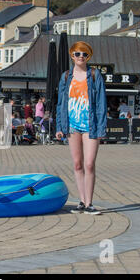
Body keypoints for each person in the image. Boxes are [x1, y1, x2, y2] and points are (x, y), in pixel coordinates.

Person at [55, 41, 107, 215]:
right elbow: (61, 103)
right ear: (72, 55)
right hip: (72, 125)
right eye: (77, 54)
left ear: (88, 57)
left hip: (90, 126)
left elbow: (101, 103)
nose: (81, 57)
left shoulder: (94, 75)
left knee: (89, 164)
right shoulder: (65, 76)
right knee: (77, 165)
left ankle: (90, 203)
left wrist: (101, 128)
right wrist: (60, 126)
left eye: (84, 54)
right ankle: (82, 202)